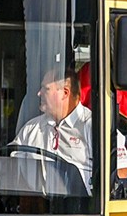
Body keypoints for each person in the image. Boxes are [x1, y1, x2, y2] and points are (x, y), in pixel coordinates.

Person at [12, 65, 95, 193]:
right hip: (35, 208)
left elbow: (120, 171)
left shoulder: (92, 126)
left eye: (46, 89)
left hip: (81, 209)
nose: (39, 93)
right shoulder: (31, 129)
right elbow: (8, 164)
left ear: (65, 93)